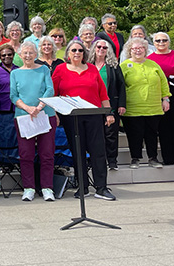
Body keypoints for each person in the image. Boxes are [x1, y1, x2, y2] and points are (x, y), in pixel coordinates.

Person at [53, 39, 116, 200]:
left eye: (80, 50)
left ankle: (101, 188)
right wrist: (55, 114)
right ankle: (83, 187)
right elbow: (53, 94)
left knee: (98, 151)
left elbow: (103, 93)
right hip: (71, 117)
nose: (77, 53)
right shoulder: (60, 69)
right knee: (77, 151)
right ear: (68, 53)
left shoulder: (92, 69)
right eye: (73, 50)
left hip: (94, 115)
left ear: (84, 53)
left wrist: (108, 113)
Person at [10, 42, 56, 201]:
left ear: (36, 54)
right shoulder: (15, 73)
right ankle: (29, 187)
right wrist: (28, 109)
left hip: (45, 115)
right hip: (24, 117)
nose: (28, 55)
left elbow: (50, 89)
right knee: (26, 153)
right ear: (20, 55)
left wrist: (39, 107)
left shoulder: (44, 69)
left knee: (47, 153)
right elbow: (13, 96)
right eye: (25, 53)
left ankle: (47, 187)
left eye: (31, 53)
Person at [120, 37, 170, 170]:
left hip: (153, 106)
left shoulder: (153, 64)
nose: (138, 51)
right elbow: (119, 86)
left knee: (152, 134)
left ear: (145, 49)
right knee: (134, 134)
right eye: (134, 48)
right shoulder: (124, 66)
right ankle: (135, 158)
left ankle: (153, 158)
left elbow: (163, 82)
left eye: (140, 48)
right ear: (130, 50)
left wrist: (165, 99)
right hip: (133, 107)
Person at [148, 32, 174, 166]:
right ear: (153, 43)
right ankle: (168, 158)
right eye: (158, 40)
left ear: (169, 41)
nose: (161, 43)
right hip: (158, 93)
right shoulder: (150, 58)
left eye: (164, 40)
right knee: (163, 127)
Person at [88, 39, 126, 170]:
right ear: (94, 48)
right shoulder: (88, 65)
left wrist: (122, 104)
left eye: (105, 48)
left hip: (111, 105)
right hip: (92, 106)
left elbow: (121, 86)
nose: (101, 49)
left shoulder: (114, 66)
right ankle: (95, 161)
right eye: (99, 47)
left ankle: (112, 161)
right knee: (94, 135)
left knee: (111, 134)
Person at [0, 44, 18, 114]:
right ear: (0, 57)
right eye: (3, 55)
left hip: (17, 108)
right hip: (2, 109)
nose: (7, 57)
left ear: (13, 55)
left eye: (9, 54)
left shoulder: (19, 70)